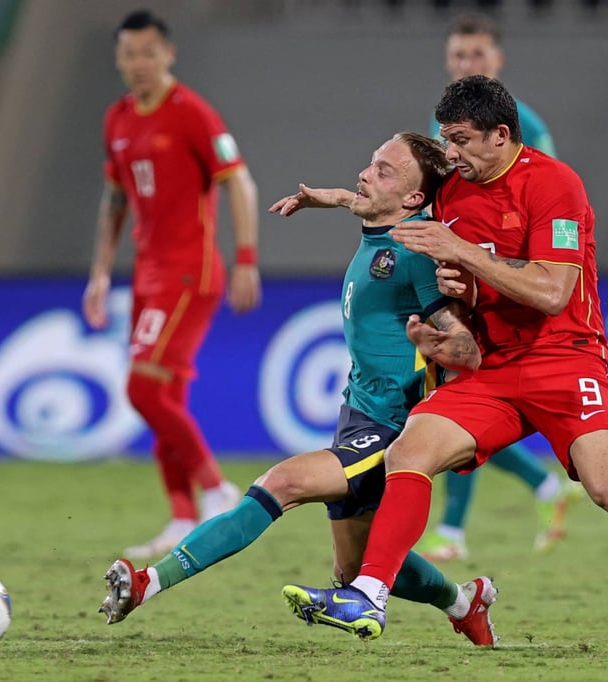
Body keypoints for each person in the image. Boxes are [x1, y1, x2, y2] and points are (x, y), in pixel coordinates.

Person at [280, 75, 608, 656]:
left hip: (564, 358)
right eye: (446, 140)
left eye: (459, 140)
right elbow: (393, 205)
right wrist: (454, 297)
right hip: (495, 367)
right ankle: (368, 594)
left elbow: (552, 291)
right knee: (411, 450)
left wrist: (464, 256)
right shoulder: (453, 190)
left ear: (500, 135)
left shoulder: (556, 185)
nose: (449, 154)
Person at [98, 132, 499, 647]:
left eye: (383, 171)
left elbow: (468, 350)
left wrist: (437, 342)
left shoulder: (418, 251)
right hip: (357, 411)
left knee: (281, 484)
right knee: (353, 566)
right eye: (371, 162)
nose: (364, 175)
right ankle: (467, 601)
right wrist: (322, 198)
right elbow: (357, 201)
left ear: (413, 200)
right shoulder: (383, 223)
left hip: (393, 429)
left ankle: (145, 584)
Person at [82, 10, 261, 559]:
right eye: (129, 54)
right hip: (148, 272)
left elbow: (240, 182)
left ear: (168, 55)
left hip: (188, 273)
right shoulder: (117, 118)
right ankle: (183, 515)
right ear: (118, 58)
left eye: (148, 53)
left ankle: (216, 488)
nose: (138, 63)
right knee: (167, 397)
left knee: (141, 389)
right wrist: (100, 271)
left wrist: (246, 259)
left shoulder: (192, 114)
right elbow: (115, 200)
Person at [416, 10, 582, 564]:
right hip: (461, 277)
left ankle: (453, 529)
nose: (468, 63)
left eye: (478, 56)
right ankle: (541, 486)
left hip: (505, 288)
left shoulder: (522, 126)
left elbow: (546, 208)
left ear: (497, 61)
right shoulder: (443, 129)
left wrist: (485, 264)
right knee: (449, 401)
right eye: (460, 55)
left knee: (460, 399)